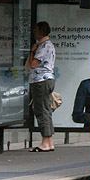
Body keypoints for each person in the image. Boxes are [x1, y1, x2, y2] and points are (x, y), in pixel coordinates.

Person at [27, 21, 56, 152]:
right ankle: (49, 142)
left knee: (41, 110)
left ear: (40, 31)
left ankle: (45, 141)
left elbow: (33, 64)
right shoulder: (47, 45)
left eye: (35, 30)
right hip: (45, 79)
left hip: (40, 80)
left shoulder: (43, 46)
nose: (34, 32)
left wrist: (32, 51)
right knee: (46, 109)